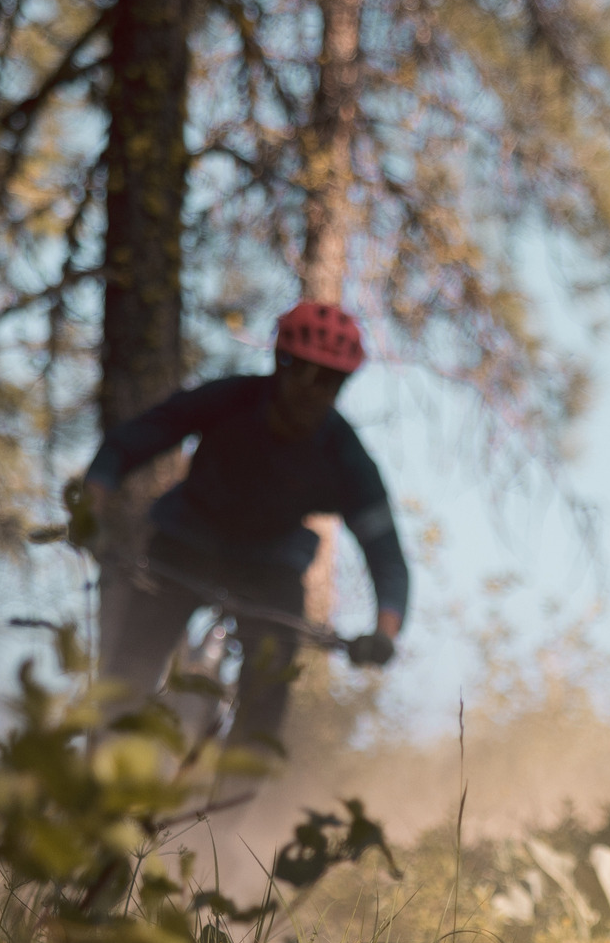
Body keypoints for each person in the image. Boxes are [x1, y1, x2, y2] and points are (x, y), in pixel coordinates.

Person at [76, 300, 407, 757]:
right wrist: (90, 505)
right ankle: (92, 783)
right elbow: (134, 440)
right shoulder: (230, 399)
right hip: (184, 543)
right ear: (281, 365)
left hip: (269, 569)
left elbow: (384, 550)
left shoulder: (344, 454)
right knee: (130, 668)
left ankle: (229, 819)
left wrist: (385, 634)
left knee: (268, 689)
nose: (314, 392)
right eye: (306, 374)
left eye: (330, 381)